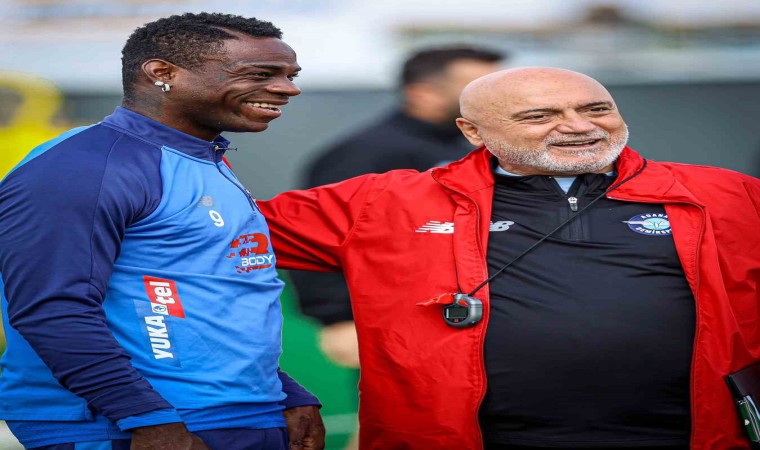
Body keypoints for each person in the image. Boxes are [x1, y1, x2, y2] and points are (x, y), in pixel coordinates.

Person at [260, 67, 760, 449]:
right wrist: (206, 125)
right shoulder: (386, 202)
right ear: (473, 132)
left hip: (690, 435)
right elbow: (222, 229)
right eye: (540, 116)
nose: (579, 126)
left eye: (596, 109)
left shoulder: (729, 195)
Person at [0, 13, 324, 450]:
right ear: (162, 73)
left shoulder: (204, 160)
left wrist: (284, 392)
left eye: (290, 75)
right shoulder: (85, 166)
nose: (288, 88)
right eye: (261, 74)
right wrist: (147, 419)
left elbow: (205, 298)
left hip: (237, 414)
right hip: (129, 426)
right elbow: (52, 309)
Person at [288, 45, 505, 369]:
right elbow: (315, 233)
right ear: (423, 93)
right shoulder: (365, 154)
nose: (499, 97)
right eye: (479, 87)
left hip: (473, 314)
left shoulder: (474, 145)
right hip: (400, 323)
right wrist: (338, 317)